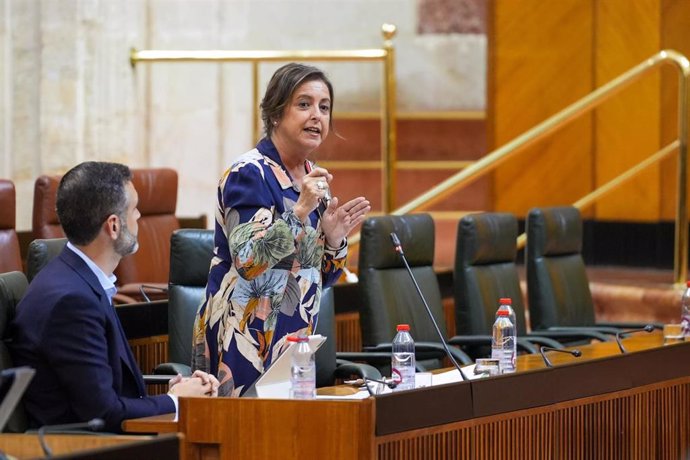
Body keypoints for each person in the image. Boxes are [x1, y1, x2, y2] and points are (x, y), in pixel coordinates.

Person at [192, 63, 370, 396]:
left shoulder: (311, 176)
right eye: (304, 104)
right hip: (243, 336)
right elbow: (248, 262)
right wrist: (300, 211)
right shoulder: (249, 174)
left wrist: (333, 239)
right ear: (275, 113)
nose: (316, 115)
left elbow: (322, 278)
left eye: (324, 107)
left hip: (295, 339)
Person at [10, 161, 219, 432]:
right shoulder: (70, 302)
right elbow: (104, 412)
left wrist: (173, 393)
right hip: (84, 448)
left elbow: (104, 391)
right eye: (134, 209)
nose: (140, 216)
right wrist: (174, 401)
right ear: (114, 226)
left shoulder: (80, 281)